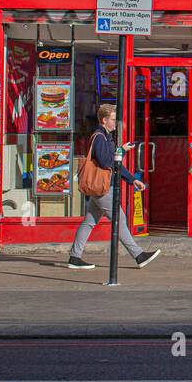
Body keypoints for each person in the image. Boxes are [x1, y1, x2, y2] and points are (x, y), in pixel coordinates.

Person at [68, 104, 160, 270]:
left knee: (88, 222)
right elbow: (107, 162)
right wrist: (122, 151)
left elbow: (114, 163)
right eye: (112, 119)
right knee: (120, 219)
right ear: (104, 120)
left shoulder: (105, 137)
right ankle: (139, 255)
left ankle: (75, 257)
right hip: (103, 188)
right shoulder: (99, 137)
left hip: (99, 187)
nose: (115, 123)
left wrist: (132, 180)